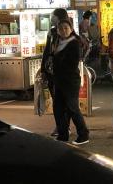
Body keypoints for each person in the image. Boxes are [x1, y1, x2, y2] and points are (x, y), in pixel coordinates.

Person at [53, 19, 89, 145]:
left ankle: (83, 134)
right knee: (58, 108)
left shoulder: (75, 43)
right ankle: (63, 135)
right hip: (59, 81)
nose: (63, 30)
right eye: (61, 28)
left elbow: (72, 63)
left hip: (70, 81)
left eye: (66, 28)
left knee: (72, 108)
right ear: (57, 30)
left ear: (71, 29)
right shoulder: (58, 42)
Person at [41, 8, 69, 136]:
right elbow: (46, 51)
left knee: (66, 102)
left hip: (65, 73)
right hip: (52, 72)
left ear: (59, 17)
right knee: (57, 101)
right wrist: (43, 70)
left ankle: (65, 127)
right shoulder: (51, 32)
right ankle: (60, 126)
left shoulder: (68, 31)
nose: (51, 18)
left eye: (53, 16)